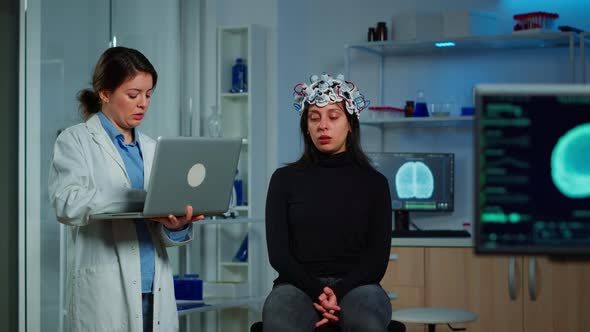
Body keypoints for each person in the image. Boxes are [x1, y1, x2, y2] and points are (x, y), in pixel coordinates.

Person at [48, 46, 203, 332]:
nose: (143, 103)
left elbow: (155, 230)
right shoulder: (76, 141)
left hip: (154, 288)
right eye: (133, 95)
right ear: (105, 94)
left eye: (148, 95)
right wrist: (137, 199)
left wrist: (176, 226)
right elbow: (66, 202)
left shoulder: (153, 149)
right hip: (105, 291)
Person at [263, 73, 393, 332]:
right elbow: (279, 255)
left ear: (350, 124)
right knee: (280, 325)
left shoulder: (375, 183)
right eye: (314, 118)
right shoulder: (283, 180)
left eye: (333, 116)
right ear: (306, 127)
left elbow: (377, 260)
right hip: (295, 286)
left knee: (366, 324)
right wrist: (317, 291)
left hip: (359, 287)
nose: (323, 125)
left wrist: (336, 291)